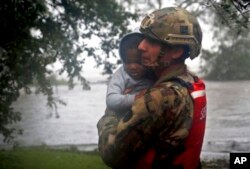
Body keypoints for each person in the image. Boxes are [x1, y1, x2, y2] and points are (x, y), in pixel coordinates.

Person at [97, 7, 207, 169]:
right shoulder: (192, 82)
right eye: (143, 38)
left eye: (151, 41)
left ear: (175, 51)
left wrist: (112, 112)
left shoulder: (157, 98)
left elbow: (111, 154)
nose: (141, 46)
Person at [106, 32, 154, 116]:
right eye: (127, 62)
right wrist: (136, 98)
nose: (133, 67)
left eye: (138, 62)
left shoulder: (153, 72)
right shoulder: (121, 75)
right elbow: (111, 100)